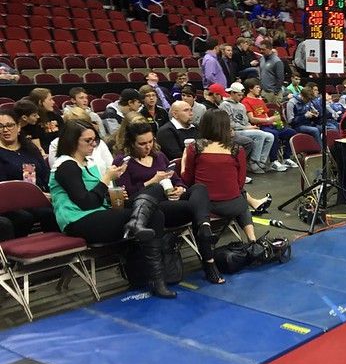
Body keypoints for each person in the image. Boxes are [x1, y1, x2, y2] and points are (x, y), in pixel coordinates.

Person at [49, 120, 176, 298]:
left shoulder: (87, 163)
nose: (94, 144)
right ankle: (154, 272)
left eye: (95, 140)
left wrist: (112, 195)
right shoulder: (66, 165)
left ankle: (156, 277)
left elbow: (96, 196)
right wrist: (107, 178)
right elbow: (86, 202)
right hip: (78, 220)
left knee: (155, 202)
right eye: (88, 140)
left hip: (99, 212)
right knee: (152, 215)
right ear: (72, 141)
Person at [113, 121, 223, 284]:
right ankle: (209, 260)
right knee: (196, 209)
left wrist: (180, 188)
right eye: (142, 144)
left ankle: (205, 231)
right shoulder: (123, 162)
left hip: (173, 201)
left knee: (199, 188)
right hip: (154, 209)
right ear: (131, 143)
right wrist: (152, 181)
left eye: (150, 141)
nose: (148, 146)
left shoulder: (159, 156)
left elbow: (177, 180)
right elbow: (128, 195)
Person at [181, 110, 259, 244]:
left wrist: (183, 161)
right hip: (233, 206)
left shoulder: (195, 148)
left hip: (204, 208)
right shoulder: (237, 149)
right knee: (240, 196)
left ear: (204, 125)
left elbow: (187, 179)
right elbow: (240, 183)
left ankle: (205, 248)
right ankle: (252, 239)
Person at [0, 108, 59, 238]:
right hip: (11, 201)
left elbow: (45, 173)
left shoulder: (29, 148)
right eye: (0, 126)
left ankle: (57, 251)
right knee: (26, 217)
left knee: (56, 209)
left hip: (39, 197)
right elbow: (4, 186)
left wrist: (51, 192)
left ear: (19, 126)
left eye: (9, 125)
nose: (5, 130)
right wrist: (37, 195)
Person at [241, 79, 298, 171]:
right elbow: (252, 119)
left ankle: (286, 158)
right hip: (259, 127)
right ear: (250, 89)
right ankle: (273, 161)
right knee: (274, 134)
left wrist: (273, 121)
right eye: (257, 87)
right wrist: (268, 120)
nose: (259, 89)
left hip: (268, 125)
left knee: (291, 132)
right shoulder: (246, 101)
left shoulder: (259, 100)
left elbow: (266, 114)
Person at [220, 82, 275, 173]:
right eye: (238, 95)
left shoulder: (241, 106)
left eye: (242, 95)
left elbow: (245, 121)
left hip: (244, 129)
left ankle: (261, 162)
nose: (241, 97)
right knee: (260, 135)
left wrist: (251, 126)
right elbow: (229, 123)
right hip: (234, 131)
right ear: (232, 93)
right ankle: (252, 162)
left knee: (270, 136)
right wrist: (247, 128)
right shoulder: (225, 105)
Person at [49, 107, 114, 175]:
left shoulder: (99, 143)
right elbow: (60, 173)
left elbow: (111, 166)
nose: (94, 144)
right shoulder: (56, 144)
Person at [27, 88, 63, 155]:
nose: (53, 102)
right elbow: (34, 141)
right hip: (44, 154)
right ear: (40, 102)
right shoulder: (33, 120)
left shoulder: (56, 116)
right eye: (50, 99)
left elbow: (64, 135)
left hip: (60, 150)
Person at [259, 39, 285, 103]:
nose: (261, 51)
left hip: (273, 93)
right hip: (264, 92)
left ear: (269, 49)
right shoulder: (262, 59)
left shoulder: (277, 61)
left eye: (263, 49)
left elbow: (280, 78)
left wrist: (275, 92)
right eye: (260, 49)